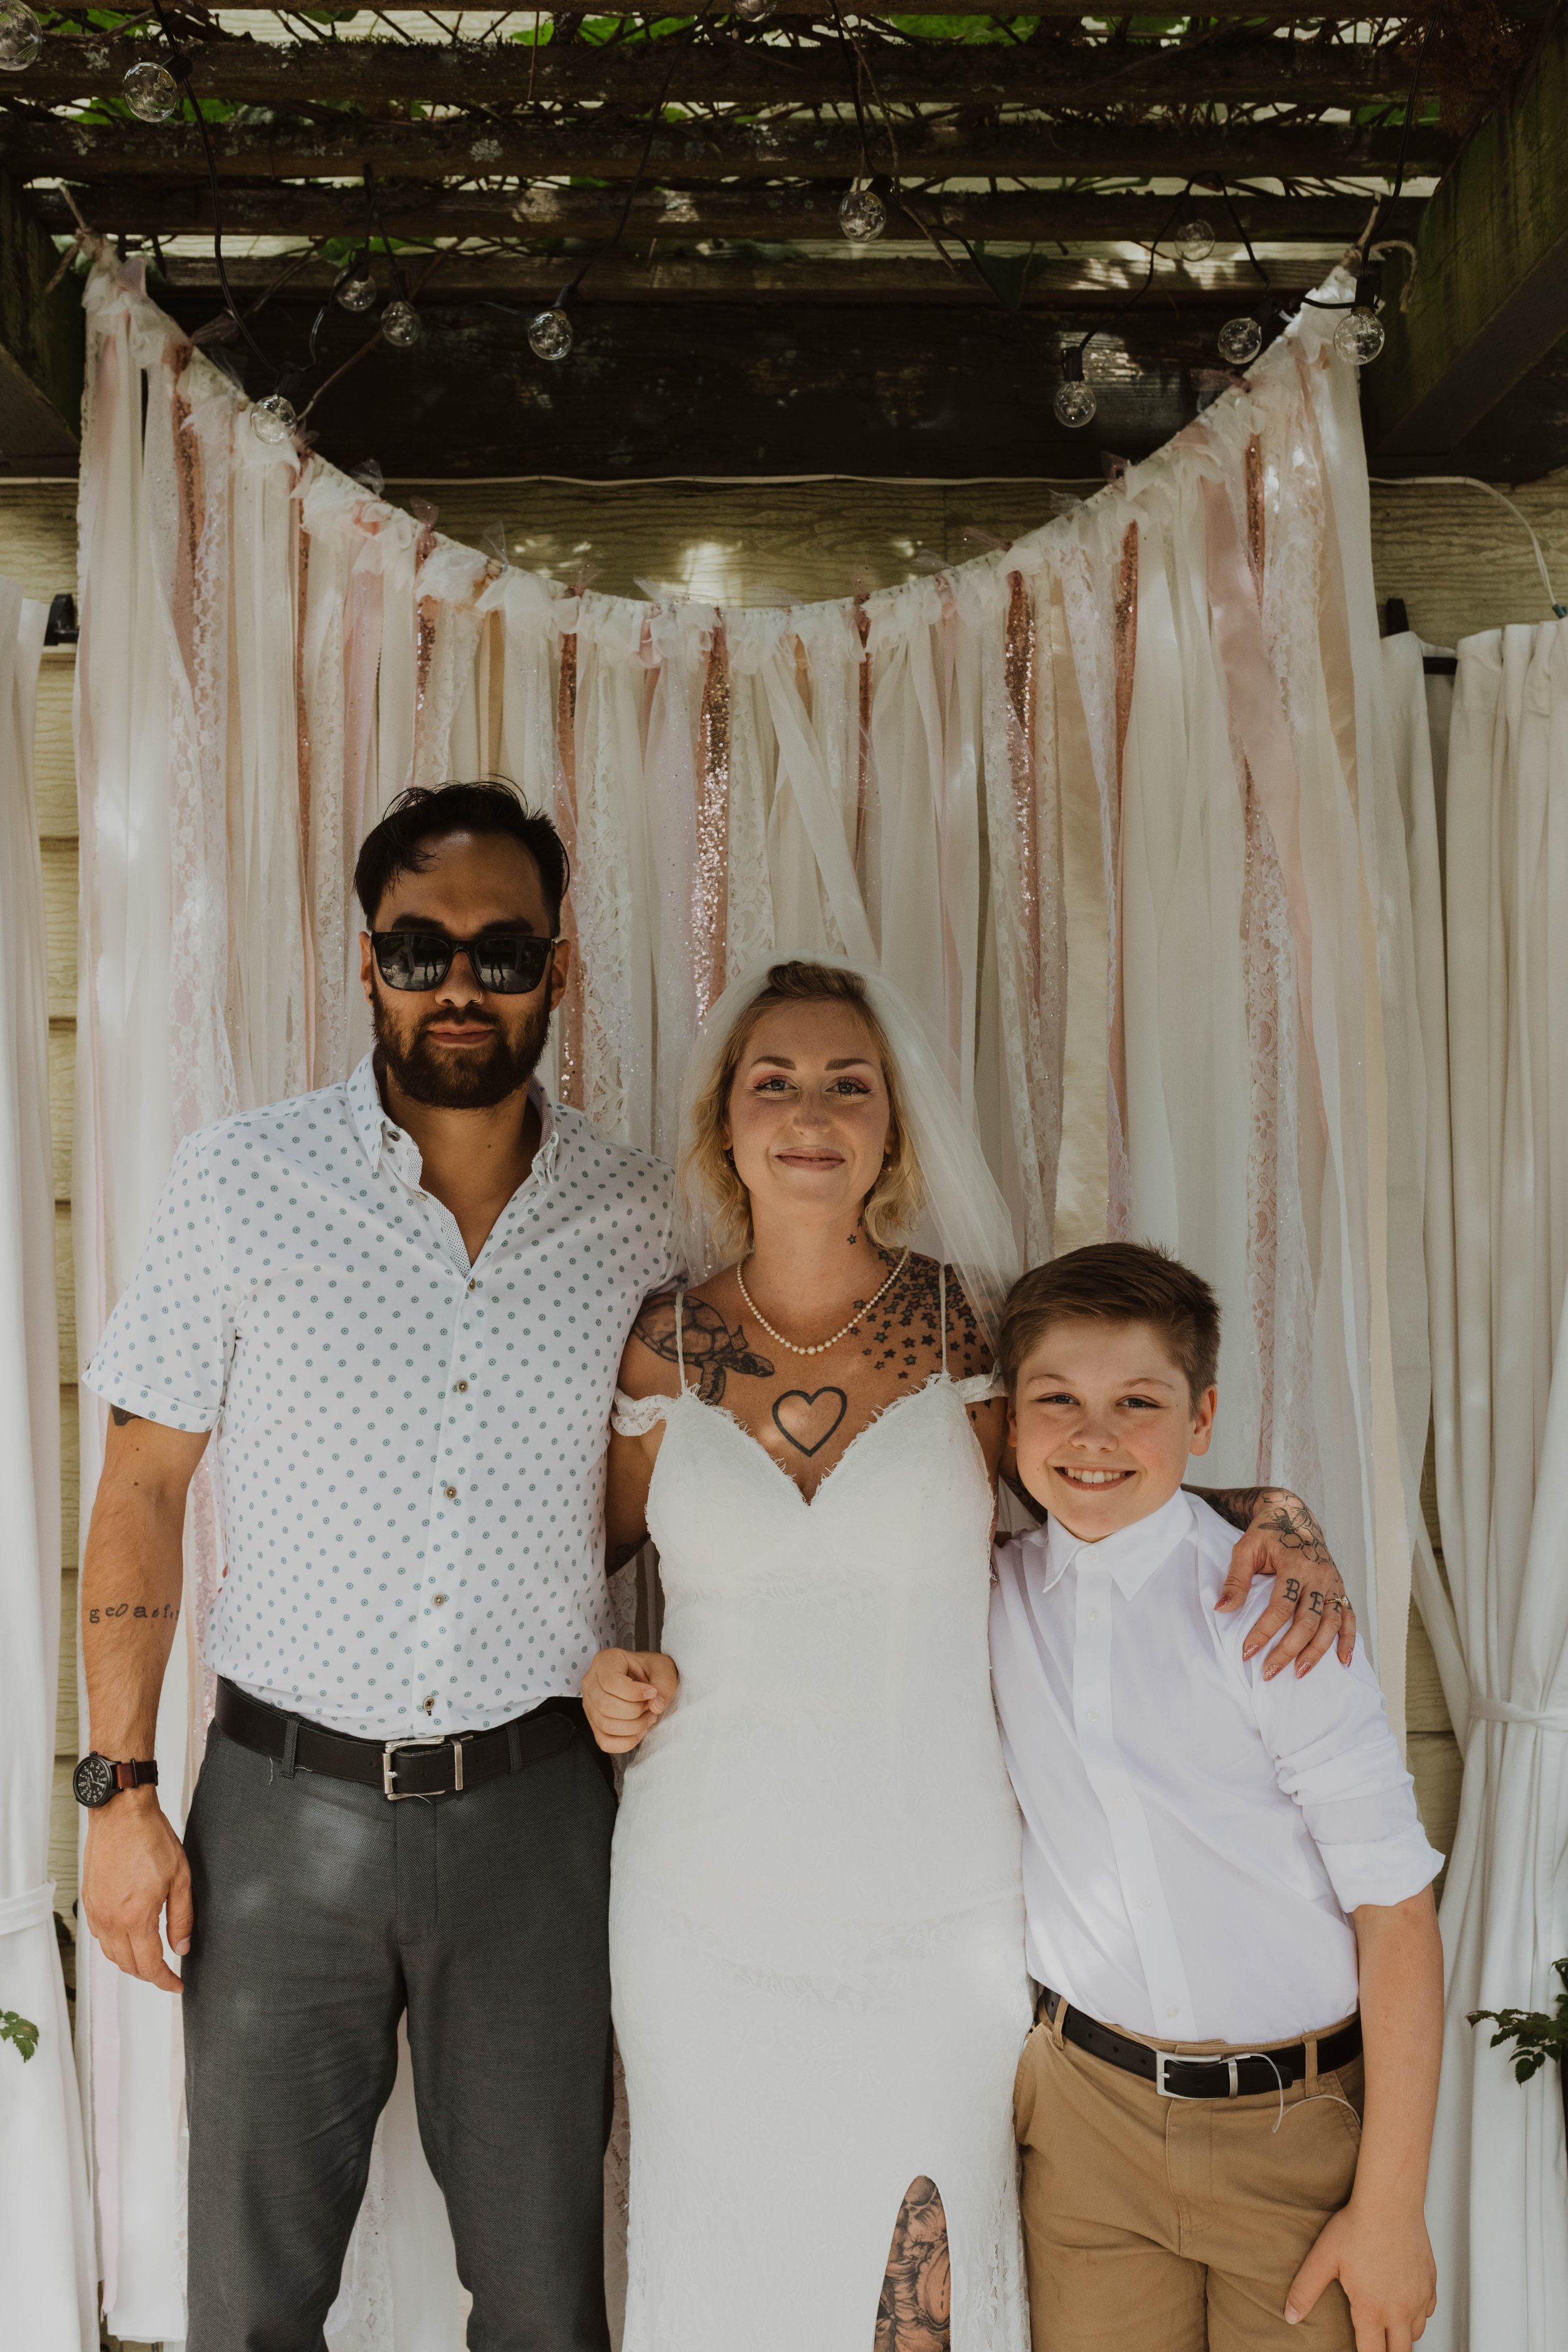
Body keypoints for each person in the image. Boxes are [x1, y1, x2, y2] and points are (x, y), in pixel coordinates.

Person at [581, 958, 1361, 2352]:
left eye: (846, 1083)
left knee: (915, 2272)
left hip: (933, 1903)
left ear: (892, 1126)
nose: (809, 1110)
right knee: (725, 2251)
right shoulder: (663, 1346)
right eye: (775, 1081)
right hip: (701, 1901)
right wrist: (602, 1680)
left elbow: (1101, 1496)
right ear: (724, 1122)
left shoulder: (966, 1329)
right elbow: (568, 1569)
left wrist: (1266, 1508)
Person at [76, 782, 675, 2352]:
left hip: (541, 1825)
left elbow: (653, 1490)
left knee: (549, 2304)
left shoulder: (645, 1219)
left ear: (561, 969)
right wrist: (116, 1792)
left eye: (500, 949)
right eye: (419, 950)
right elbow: (139, 1488)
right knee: (251, 2304)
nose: (459, 987)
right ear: (363, 963)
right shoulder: (238, 1183)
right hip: (281, 1814)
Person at [992, 1244, 1444, 2352]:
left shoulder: (1276, 1613)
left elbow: (1397, 1914)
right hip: (1085, 2123)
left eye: (1135, 1402)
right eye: (1058, 1401)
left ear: (1200, 1421)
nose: (1093, 1435)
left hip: (1294, 2132)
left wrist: (1389, 2208)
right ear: (1009, 1422)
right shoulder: (992, 1588)